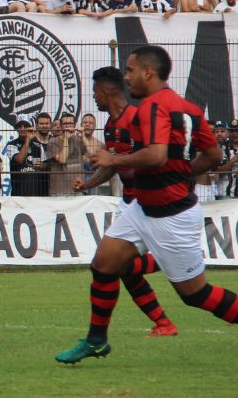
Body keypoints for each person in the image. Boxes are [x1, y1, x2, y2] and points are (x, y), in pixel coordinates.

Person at [55, 45, 231, 364]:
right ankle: (96, 341)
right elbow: (215, 155)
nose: (127, 77)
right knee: (104, 265)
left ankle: (147, 324)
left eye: (130, 70)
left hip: (171, 215)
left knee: (196, 295)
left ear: (148, 73)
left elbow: (156, 154)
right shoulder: (188, 108)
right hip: (142, 208)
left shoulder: (151, 108)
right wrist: (181, 173)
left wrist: (114, 157)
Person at [70, 66, 179, 337]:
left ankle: (171, 260)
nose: (93, 98)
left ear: (107, 92)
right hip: (129, 202)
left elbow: (153, 158)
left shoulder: (137, 120)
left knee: (117, 266)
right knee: (116, 267)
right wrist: (89, 183)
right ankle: (163, 323)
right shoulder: (111, 126)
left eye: (95, 92)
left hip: (149, 202)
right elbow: (111, 165)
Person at [46, 113, 88, 196]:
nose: (68, 126)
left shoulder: (78, 139)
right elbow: (62, 160)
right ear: (61, 126)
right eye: (65, 124)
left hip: (77, 188)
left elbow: (90, 153)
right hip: (59, 190)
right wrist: (66, 138)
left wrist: (83, 136)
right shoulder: (53, 142)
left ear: (74, 125)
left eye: (70, 124)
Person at [5, 116, 45, 196]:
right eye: (19, 126)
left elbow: (45, 165)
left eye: (25, 126)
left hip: (37, 191)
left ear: (30, 127)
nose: (22, 128)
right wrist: (28, 140)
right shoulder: (11, 145)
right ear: (16, 128)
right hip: (19, 191)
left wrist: (42, 165)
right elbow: (20, 159)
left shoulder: (38, 144)